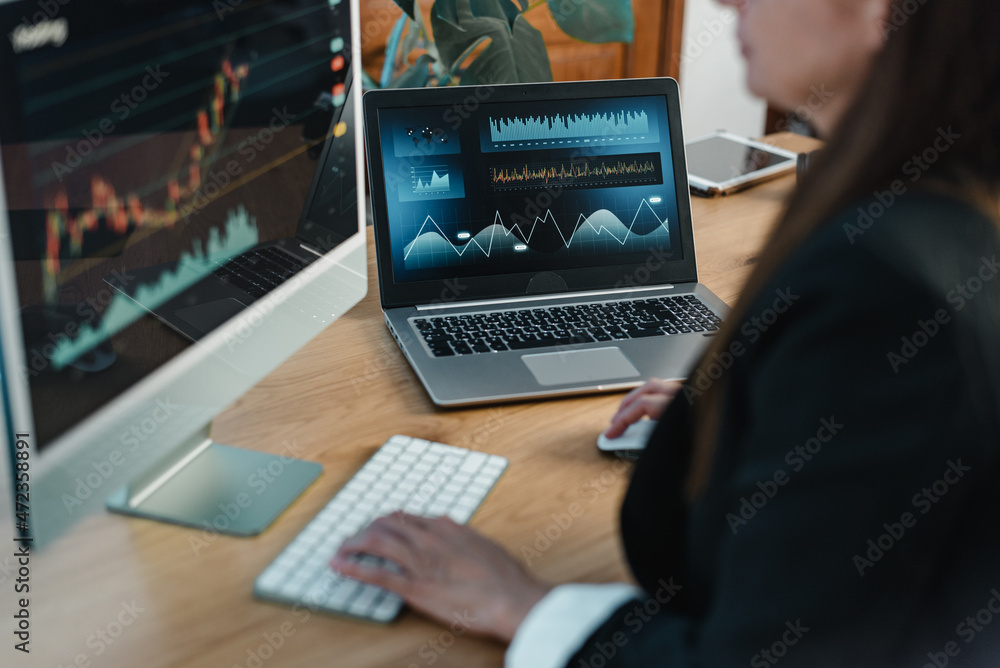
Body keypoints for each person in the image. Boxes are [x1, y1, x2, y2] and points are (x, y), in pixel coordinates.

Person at [332, 0, 1000, 664]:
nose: (725, 1)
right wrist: (756, 398)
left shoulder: (885, 293)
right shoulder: (938, 202)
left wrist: (529, 608)